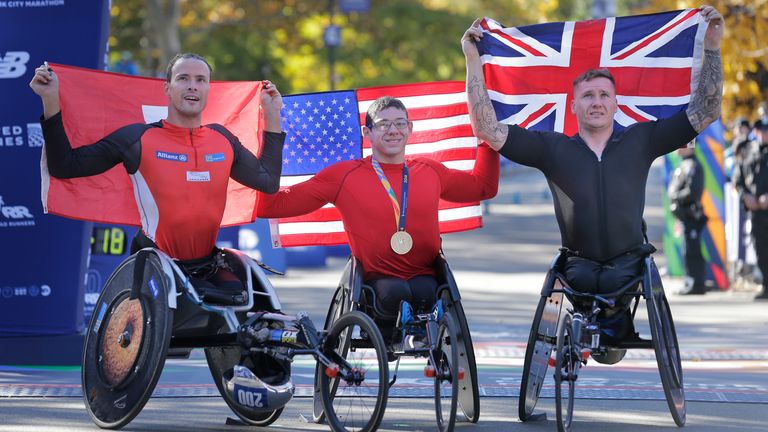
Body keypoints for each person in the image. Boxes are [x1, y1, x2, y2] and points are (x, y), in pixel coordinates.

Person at [462, 6, 723, 345]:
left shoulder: (641, 140)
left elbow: (706, 110)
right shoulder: (552, 149)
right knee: (583, 277)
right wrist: (472, 58)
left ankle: (616, 325)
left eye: (604, 95)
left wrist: (713, 47)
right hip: (577, 268)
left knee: (617, 284)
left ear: (616, 103)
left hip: (629, 265)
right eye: (587, 95)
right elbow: (487, 128)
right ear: (573, 105)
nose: (596, 102)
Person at [30, 53, 285, 301]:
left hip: (206, 266)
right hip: (154, 262)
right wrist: (50, 101)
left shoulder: (223, 139)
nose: (192, 87)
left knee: (246, 305)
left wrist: (272, 115)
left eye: (200, 80)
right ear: (167, 88)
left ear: (209, 89)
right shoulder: (136, 139)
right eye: (183, 78)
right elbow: (65, 166)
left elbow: (267, 182)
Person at [257, 96, 499, 322]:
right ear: (367, 133)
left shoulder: (430, 171)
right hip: (377, 283)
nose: (393, 130)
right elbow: (273, 205)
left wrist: (488, 137)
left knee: (424, 291)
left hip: (427, 276)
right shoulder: (343, 176)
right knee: (396, 293)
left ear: (410, 129)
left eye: (400, 123)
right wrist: (272, 119)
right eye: (383, 124)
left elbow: (482, 188)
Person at [734, 117, 768, 300]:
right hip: (756, 212)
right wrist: (745, 196)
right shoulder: (748, 151)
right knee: (761, 249)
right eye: (761, 130)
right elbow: (738, 180)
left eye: (766, 130)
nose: (763, 133)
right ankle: (766, 285)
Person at [668, 145, 708, 294]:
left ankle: (697, 284)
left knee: (693, 250)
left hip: (691, 215)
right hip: (685, 216)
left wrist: (675, 197)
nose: (678, 149)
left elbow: (693, 191)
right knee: (688, 250)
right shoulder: (684, 164)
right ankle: (690, 281)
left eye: (682, 146)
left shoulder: (693, 165)